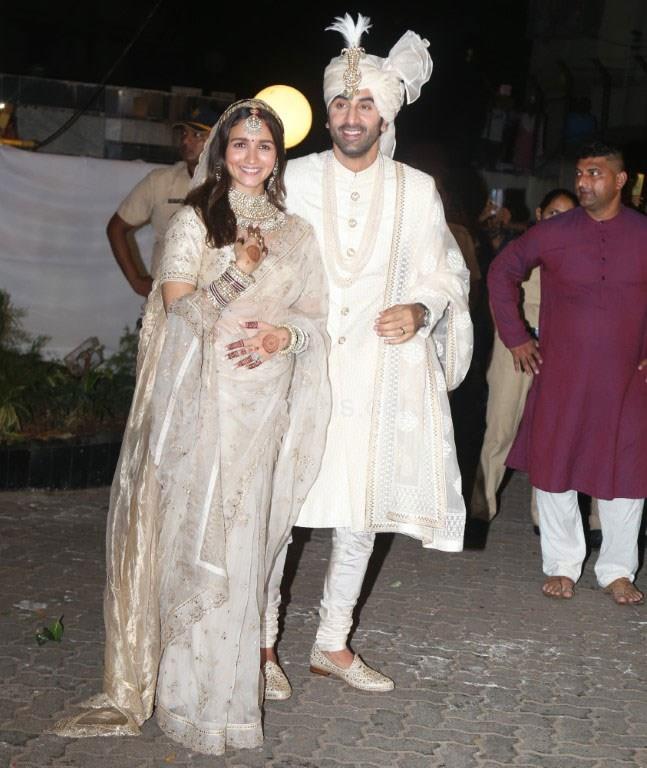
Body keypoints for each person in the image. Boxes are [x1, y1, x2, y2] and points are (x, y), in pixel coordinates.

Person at [52, 99, 331, 755]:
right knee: (200, 544)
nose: (252, 156)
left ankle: (230, 701)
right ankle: (188, 698)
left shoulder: (297, 232)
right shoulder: (193, 221)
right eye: (240, 144)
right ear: (221, 153)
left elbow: (316, 317)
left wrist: (283, 336)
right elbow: (178, 315)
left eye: (264, 146)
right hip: (203, 408)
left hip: (264, 408)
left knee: (247, 544)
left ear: (278, 157)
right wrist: (241, 270)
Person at [256, 13, 473, 694]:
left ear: (386, 115)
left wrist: (421, 309)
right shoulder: (291, 179)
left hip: (378, 370)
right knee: (281, 509)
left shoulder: (417, 189)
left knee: (360, 511)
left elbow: (445, 272)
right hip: (299, 364)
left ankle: (331, 643)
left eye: (366, 105)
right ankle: (261, 647)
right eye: (342, 104)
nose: (352, 116)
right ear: (327, 114)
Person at [488, 139, 647, 605]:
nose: (584, 181)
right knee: (554, 468)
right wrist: (516, 336)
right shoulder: (554, 232)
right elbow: (502, 272)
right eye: (580, 172)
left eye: (595, 173)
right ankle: (561, 564)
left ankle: (617, 570)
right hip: (563, 376)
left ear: (620, 180)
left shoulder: (642, 232)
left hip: (627, 380)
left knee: (627, 473)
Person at [470, 189, 579, 525]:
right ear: (540, 214)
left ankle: (541, 515)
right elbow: (498, 294)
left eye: (569, 216)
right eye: (554, 214)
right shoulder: (522, 249)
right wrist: (514, 338)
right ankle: (480, 508)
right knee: (500, 428)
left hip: (558, 354)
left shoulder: (580, 257)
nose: (561, 222)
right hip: (516, 350)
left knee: (549, 436)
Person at [106, 108, 216, 297]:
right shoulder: (160, 181)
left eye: (197, 135)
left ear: (218, 139)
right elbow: (116, 228)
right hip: (167, 298)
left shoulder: (233, 184)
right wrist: (137, 282)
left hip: (215, 297)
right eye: (184, 134)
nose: (186, 141)